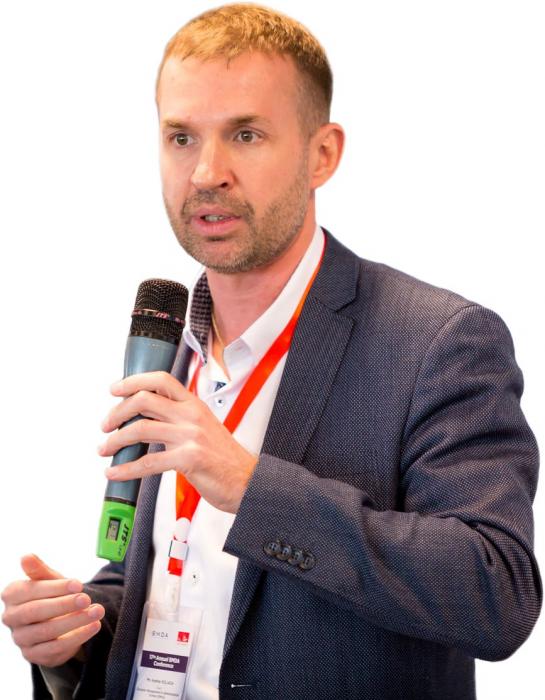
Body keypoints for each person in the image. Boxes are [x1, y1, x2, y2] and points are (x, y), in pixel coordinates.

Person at [1, 4, 541, 699]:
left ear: (323, 154)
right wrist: (76, 638)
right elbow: (177, 580)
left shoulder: (438, 341)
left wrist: (250, 487)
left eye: (246, 134)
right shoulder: (167, 343)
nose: (206, 172)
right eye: (181, 137)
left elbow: (496, 595)